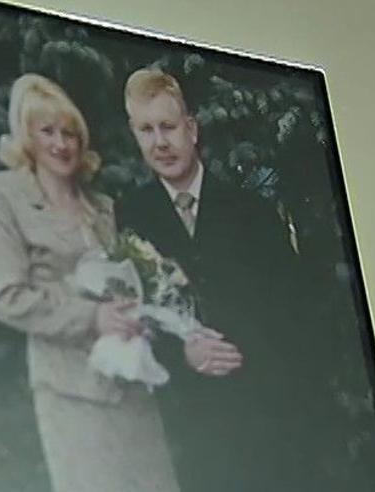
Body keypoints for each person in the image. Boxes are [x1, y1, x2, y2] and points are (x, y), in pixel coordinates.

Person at [0, 73, 180, 492]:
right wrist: (93, 317)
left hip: (132, 383)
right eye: (47, 131)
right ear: (27, 137)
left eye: (69, 133)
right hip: (70, 391)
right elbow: (8, 297)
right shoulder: (1, 195)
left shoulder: (102, 208)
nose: (61, 144)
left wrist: (143, 311)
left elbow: (130, 282)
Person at [115, 68, 305, 491]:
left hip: (265, 419)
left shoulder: (252, 212)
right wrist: (182, 353)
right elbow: (130, 318)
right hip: (185, 429)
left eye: (168, 126)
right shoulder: (129, 218)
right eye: (146, 130)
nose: (160, 142)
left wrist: (248, 355)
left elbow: (293, 311)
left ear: (192, 128)